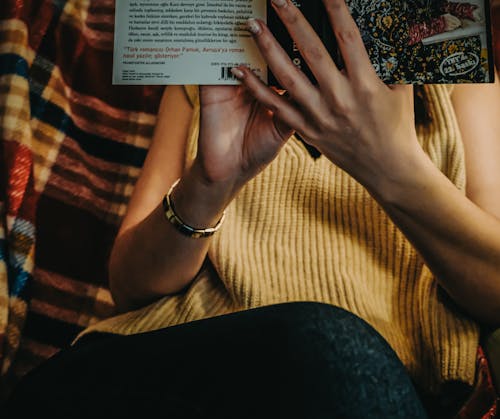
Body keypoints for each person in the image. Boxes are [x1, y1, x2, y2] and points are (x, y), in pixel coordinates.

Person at [4, 0, 500, 417]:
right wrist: (210, 181)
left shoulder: (456, 70)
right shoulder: (216, 59)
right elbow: (132, 288)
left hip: (366, 387)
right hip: (151, 373)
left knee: (335, 351)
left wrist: (389, 166)